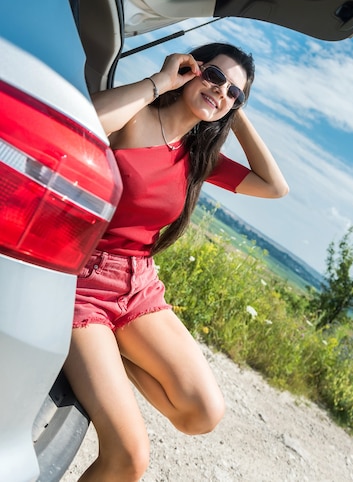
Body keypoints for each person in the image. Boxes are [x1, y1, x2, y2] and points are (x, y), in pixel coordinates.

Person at [64, 43, 289, 481]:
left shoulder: (199, 158)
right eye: (214, 76)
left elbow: (274, 186)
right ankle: (99, 352)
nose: (221, 91)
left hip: (139, 287)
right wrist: (162, 82)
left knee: (202, 413)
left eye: (234, 93)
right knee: (130, 458)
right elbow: (82, 121)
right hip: (84, 286)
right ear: (190, 67)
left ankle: (114, 356)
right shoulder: (135, 115)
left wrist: (231, 110)